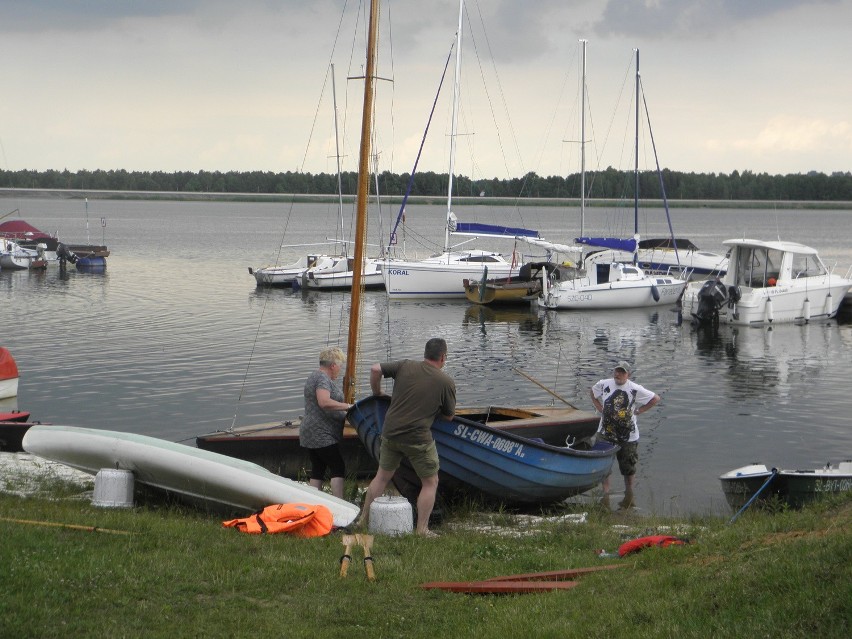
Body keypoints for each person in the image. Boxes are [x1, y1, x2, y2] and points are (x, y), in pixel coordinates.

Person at [359, 337, 456, 536]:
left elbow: (375, 369)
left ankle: (363, 520)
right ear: (443, 357)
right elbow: (448, 416)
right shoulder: (445, 382)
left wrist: (377, 392)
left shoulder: (405, 365)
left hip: (391, 432)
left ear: (425, 354)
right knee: (430, 482)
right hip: (418, 438)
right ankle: (422, 529)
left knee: (382, 476)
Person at [589, 360, 660, 509]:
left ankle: (629, 495)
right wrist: (600, 408)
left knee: (628, 467)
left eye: (622, 372)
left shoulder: (634, 388)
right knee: (604, 465)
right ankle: (606, 495)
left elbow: (655, 399)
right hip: (605, 433)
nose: (618, 374)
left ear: (629, 374)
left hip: (628, 436)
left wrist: (640, 411)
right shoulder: (604, 383)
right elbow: (592, 392)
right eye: (616, 371)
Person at [300, 346, 353, 499]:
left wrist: (344, 414)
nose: (339, 370)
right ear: (333, 365)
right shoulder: (322, 378)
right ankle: (339, 505)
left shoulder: (314, 376)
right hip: (321, 433)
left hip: (310, 431)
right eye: (340, 367)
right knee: (338, 466)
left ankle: (313, 505)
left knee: (318, 468)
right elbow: (324, 402)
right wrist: (349, 407)